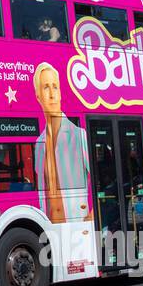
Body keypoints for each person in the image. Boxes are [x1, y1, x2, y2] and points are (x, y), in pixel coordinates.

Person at [32, 62, 91, 224]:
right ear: (38, 96)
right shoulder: (39, 144)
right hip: (50, 226)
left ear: (60, 93)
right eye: (46, 87)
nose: (52, 94)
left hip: (77, 223)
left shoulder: (79, 135)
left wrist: (91, 217)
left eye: (55, 87)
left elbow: (103, 180)